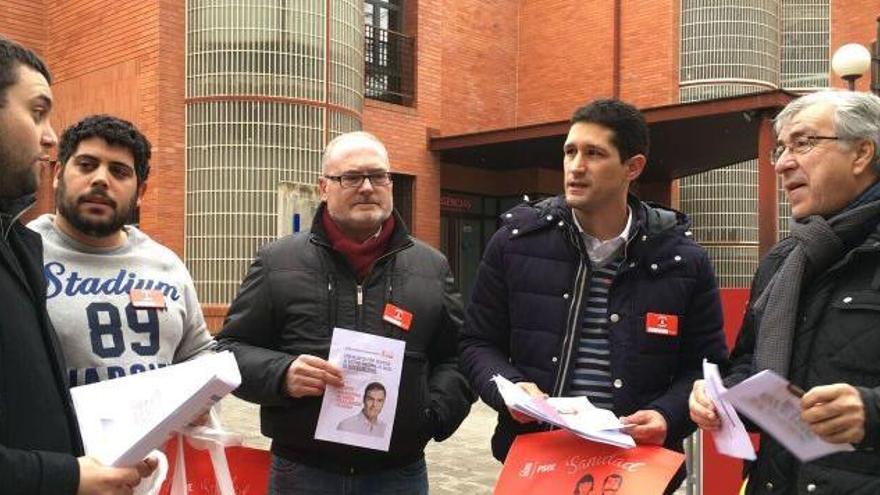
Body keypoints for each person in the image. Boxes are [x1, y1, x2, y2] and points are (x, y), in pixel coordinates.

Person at [459, 98, 728, 490]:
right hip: (539, 462)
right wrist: (511, 388)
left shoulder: (681, 259)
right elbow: (476, 343)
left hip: (637, 467)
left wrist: (668, 416)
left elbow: (704, 369)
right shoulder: (515, 243)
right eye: (570, 151)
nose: (576, 166)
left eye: (594, 153)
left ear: (632, 168)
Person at [216, 131, 474, 494]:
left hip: (397, 474)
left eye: (378, 176)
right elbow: (228, 349)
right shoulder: (278, 262)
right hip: (303, 472)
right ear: (324, 187)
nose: (367, 187)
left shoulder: (430, 266)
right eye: (351, 177)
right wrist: (281, 374)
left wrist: (431, 415)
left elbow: (458, 356)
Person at [689, 90, 880, 493]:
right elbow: (752, 366)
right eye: (781, 148)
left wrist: (872, 411)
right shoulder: (784, 261)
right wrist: (718, 396)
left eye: (804, 143)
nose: (783, 163)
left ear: (862, 154)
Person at [0, 37, 154, 494]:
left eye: (120, 172)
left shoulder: (14, 244)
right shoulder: (36, 244)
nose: (47, 135)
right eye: (37, 110)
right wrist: (65, 477)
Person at [28, 114, 214, 387]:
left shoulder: (166, 264)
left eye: (119, 171)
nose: (101, 179)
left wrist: (202, 407)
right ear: (58, 174)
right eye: (87, 165)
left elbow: (198, 352)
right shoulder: (19, 256)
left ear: (140, 192)